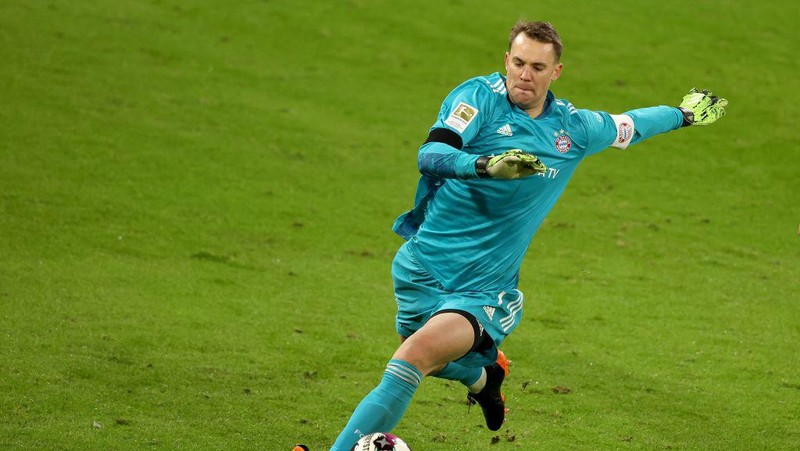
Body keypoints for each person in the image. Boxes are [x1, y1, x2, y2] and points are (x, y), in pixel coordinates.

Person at [301, 20, 727, 451]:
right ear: (506, 61)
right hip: (421, 265)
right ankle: (487, 378)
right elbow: (431, 153)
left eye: (538, 67)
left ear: (556, 72)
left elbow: (630, 126)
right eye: (519, 63)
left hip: (484, 288)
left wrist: (685, 114)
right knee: (426, 357)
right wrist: (484, 165)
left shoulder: (571, 131)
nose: (526, 75)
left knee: (411, 358)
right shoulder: (476, 99)